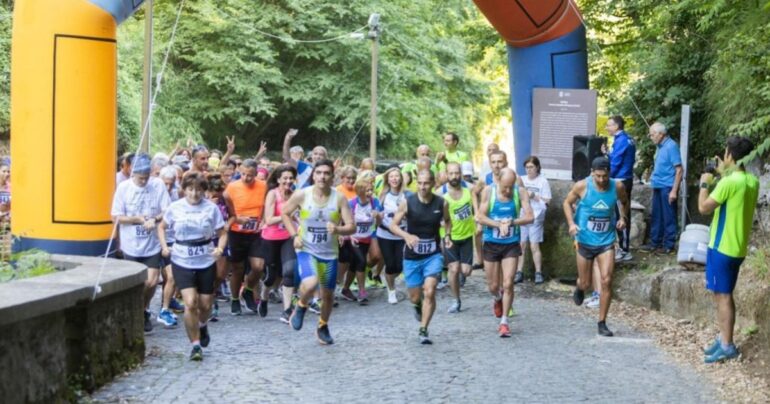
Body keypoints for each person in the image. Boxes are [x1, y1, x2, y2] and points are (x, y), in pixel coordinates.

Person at [698, 136, 759, 363]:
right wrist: (722, 173)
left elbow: (703, 208)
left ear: (730, 155)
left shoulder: (728, 183)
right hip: (738, 248)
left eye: (725, 153)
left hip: (721, 247)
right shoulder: (751, 181)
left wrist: (704, 182)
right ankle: (724, 337)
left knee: (722, 296)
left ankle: (727, 345)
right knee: (724, 294)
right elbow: (733, 192)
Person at [281, 160, 355, 345]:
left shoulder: (339, 198)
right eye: (319, 172)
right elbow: (285, 213)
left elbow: (351, 226)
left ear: (332, 177)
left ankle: (323, 325)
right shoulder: (302, 195)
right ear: (313, 175)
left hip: (329, 253)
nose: (322, 176)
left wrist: (338, 230)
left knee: (328, 295)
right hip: (306, 249)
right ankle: (301, 305)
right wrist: (293, 235)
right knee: (312, 282)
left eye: (326, 173)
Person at [158, 172, 227, 361]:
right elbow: (162, 227)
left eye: (198, 190)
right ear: (184, 190)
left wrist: (220, 248)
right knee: (190, 303)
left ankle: (203, 326)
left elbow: (222, 232)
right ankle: (195, 346)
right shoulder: (175, 207)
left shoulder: (211, 209)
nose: (194, 194)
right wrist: (165, 246)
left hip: (205, 259)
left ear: (204, 191)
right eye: (190, 189)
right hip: (181, 259)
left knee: (205, 304)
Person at [563, 157, 628, 337]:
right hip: (584, 239)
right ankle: (580, 287)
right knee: (586, 282)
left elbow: (624, 202)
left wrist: (623, 218)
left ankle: (602, 322)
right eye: (598, 176)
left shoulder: (618, 186)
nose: (601, 180)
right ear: (592, 173)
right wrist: (571, 223)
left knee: (607, 280)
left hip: (606, 241)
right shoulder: (582, 186)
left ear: (609, 174)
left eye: (605, 176)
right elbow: (566, 203)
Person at [111, 153, 171, 333]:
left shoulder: (158, 185)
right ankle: (136, 311)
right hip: (131, 243)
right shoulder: (123, 188)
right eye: (140, 178)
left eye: (147, 178)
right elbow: (116, 216)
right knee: (135, 283)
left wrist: (154, 218)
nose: (144, 181)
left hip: (152, 243)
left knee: (151, 282)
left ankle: (143, 309)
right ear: (133, 175)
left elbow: (167, 210)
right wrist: (137, 218)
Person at [389, 169, 448, 344]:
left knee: (429, 291)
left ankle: (423, 330)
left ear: (433, 183)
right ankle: (417, 306)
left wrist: (448, 236)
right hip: (412, 256)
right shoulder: (408, 202)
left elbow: (448, 221)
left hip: (432, 255)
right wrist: (406, 236)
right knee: (415, 297)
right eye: (420, 183)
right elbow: (393, 225)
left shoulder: (441, 203)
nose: (422, 187)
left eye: (426, 183)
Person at [477, 168, 533, 337]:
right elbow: (480, 216)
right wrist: (498, 224)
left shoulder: (520, 192)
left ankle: (504, 322)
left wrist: (512, 222)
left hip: (510, 244)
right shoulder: (488, 191)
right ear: (498, 181)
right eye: (505, 187)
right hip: (491, 243)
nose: (508, 191)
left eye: (511, 187)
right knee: (493, 286)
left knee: (508, 283)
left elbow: (530, 217)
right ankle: (497, 298)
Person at [222, 159, 268, 316]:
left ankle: (248, 290)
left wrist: (263, 220)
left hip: (256, 232)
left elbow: (267, 206)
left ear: (256, 174)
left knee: (259, 267)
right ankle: (235, 299)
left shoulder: (263, 186)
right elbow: (225, 210)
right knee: (237, 268)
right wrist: (236, 218)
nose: (246, 178)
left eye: (250, 175)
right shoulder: (232, 187)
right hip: (236, 232)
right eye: (243, 174)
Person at [260, 165, 299, 324]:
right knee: (271, 276)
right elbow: (269, 220)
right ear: (278, 180)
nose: (288, 181)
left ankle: (287, 310)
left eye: (291, 178)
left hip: (289, 236)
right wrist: (287, 215)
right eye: (285, 178)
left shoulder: (296, 195)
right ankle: (263, 297)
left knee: (289, 271)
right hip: (271, 238)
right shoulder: (272, 194)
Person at [439, 162, 476, 313]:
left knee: (465, 271)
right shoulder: (440, 193)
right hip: (449, 237)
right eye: (451, 173)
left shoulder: (470, 189)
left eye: (457, 173)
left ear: (460, 173)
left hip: (467, 236)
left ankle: (462, 274)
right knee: (453, 269)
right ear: (446, 175)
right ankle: (456, 301)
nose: (454, 176)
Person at [339, 177, 382, 304]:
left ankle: (346, 289)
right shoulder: (352, 204)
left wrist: (378, 216)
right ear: (360, 191)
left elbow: (378, 223)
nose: (370, 193)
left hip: (366, 238)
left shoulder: (374, 203)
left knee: (355, 264)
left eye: (371, 190)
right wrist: (345, 235)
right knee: (361, 261)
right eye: (367, 191)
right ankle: (362, 292)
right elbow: (343, 221)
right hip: (352, 239)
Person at [642, 122, 682, 254]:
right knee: (657, 216)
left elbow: (679, 170)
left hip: (668, 186)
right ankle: (655, 243)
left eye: (652, 134)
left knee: (669, 216)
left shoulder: (671, 146)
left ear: (661, 134)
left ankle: (669, 245)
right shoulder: (659, 146)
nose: (651, 137)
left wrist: (674, 191)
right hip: (658, 185)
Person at [515, 156, 552, 284]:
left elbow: (547, 201)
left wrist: (533, 196)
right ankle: (519, 272)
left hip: (537, 215)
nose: (529, 170)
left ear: (537, 167)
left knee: (534, 245)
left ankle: (538, 272)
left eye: (531, 167)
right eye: (527, 167)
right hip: (523, 214)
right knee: (521, 244)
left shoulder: (543, 181)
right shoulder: (521, 180)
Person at [376, 166, 409, 304]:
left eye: (397, 176)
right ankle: (391, 291)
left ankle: (389, 278)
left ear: (401, 179)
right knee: (390, 264)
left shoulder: (407, 195)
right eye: (391, 177)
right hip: (385, 235)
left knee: (399, 266)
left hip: (401, 234)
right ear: (387, 180)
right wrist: (378, 217)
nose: (394, 179)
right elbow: (378, 219)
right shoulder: (383, 196)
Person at [606, 115, 636, 262]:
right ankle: (622, 247)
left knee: (621, 214)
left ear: (617, 126)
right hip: (626, 178)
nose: (607, 128)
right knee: (622, 212)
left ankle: (624, 250)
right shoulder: (626, 139)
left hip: (620, 180)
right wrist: (607, 153)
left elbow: (616, 162)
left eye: (609, 125)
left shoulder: (622, 140)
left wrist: (606, 178)